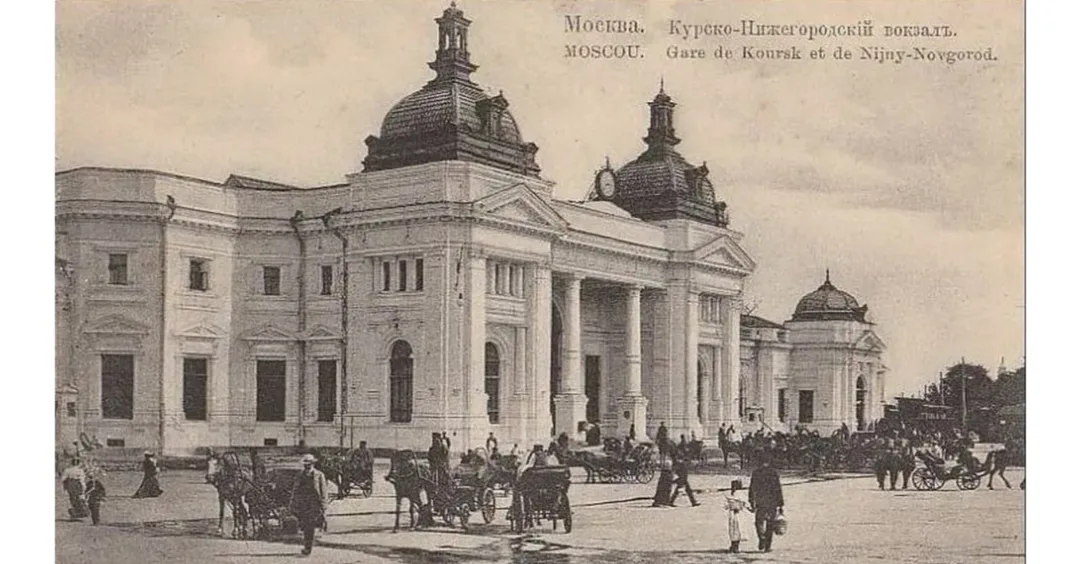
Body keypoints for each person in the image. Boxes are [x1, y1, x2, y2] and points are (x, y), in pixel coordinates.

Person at [290, 454, 328, 557]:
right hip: (303, 504)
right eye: (305, 464)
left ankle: (308, 548)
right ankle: (307, 546)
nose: (307, 466)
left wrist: (324, 506)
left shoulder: (319, 475)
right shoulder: (299, 475)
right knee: (304, 525)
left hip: (314, 504)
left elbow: (324, 491)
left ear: (313, 464)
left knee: (310, 526)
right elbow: (295, 490)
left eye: (309, 464)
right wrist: (293, 503)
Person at [749, 455, 784, 553]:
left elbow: (752, 488)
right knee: (770, 523)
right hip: (772, 502)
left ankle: (762, 537)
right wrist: (780, 504)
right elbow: (778, 489)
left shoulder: (756, 473)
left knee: (759, 522)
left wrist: (751, 501)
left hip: (760, 501)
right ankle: (768, 546)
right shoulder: (773, 473)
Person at [723, 479, 752, 553]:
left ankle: (734, 545)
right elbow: (746, 504)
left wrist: (730, 505)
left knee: (734, 529)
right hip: (738, 513)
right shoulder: (741, 494)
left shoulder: (730, 494)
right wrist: (750, 509)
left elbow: (725, 506)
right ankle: (735, 546)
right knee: (737, 529)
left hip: (734, 513)